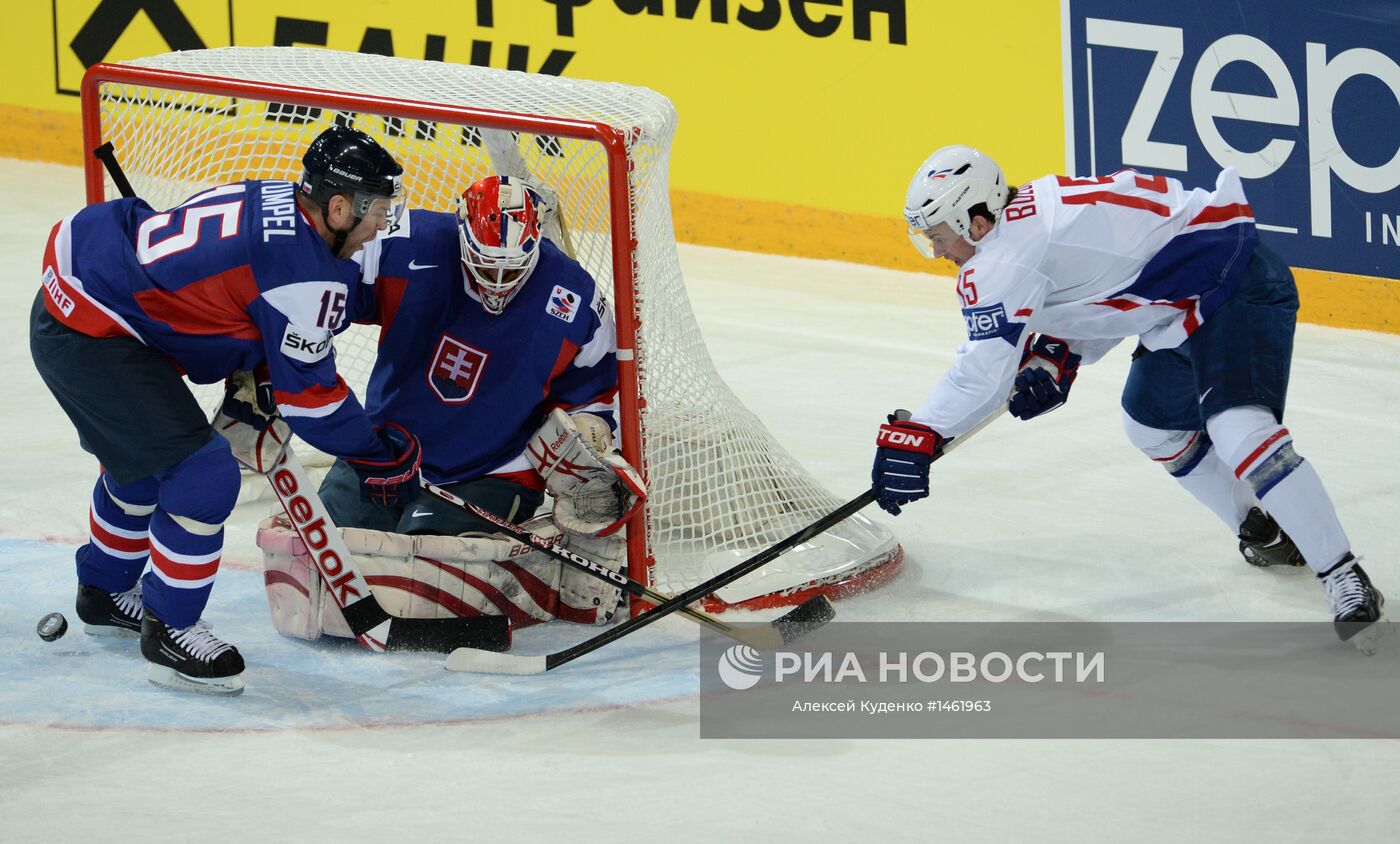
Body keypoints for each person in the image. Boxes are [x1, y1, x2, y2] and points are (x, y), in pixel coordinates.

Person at [872, 145, 1384, 647]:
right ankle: (1264, 529)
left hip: (1233, 287)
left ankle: (1343, 573)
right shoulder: (1031, 223)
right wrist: (1053, 358)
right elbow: (1107, 288)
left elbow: (981, 373)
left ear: (976, 221)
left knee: (1238, 430)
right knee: (1151, 424)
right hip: (1177, 309)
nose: (937, 251)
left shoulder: (1004, 259)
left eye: (939, 236)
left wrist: (916, 436)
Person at [30, 125, 425, 695]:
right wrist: (374, 454)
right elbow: (312, 403)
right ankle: (170, 630)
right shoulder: (304, 274)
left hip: (87, 285)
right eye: (375, 213)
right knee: (201, 472)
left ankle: (103, 590)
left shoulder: (276, 198)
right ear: (338, 207)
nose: (379, 227)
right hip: (92, 332)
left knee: (144, 464)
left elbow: (240, 296)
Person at [304, 174, 643, 627]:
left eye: (512, 268)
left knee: (424, 573)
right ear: (460, 230)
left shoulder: (574, 297)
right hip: (387, 451)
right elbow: (325, 289)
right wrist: (281, 354)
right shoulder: (408, 243)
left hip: (493, 467)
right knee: (318, 548)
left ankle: (523, 570)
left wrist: (591, 433)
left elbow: (600, 390)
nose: (497, 281)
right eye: (485, 265)